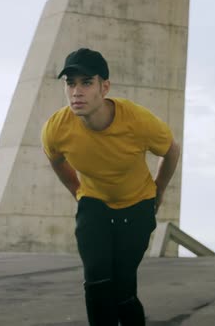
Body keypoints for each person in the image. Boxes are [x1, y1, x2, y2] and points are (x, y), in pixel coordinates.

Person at [41, 48, 180, 325]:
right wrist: (79, 193)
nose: (76, 92)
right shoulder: (57, 128)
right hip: (95, 204)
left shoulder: (137, 121)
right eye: (70, 83)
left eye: (86, 82)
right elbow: (56, 161)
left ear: (104, 87)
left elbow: (172, 151)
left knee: (122, 290)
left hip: (138, 205)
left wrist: (159, 191)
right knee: (97, 284)